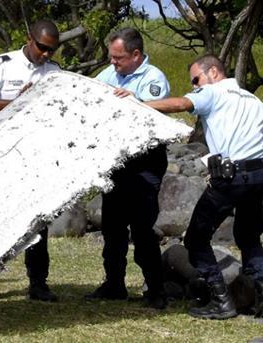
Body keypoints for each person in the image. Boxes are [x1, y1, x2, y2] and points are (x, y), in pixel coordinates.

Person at [145, 54, 263, 320]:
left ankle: (221, 301)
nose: (195, 86)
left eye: (196, 80)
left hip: (231, 178)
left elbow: (181, 103)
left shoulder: (212, 93)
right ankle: (259, 300)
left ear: (213, 72)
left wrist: (139, 104)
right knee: (249, 238)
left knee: (196, 239)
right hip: (258, 176)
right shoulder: (253, 100)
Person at [0, 19, 60, 302]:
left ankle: (38, 282)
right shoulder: (2, 65)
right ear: (29, 39)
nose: (46, 54)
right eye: (43, 47)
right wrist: (19, 102)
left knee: (37, 222)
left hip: (34, 155)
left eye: (52, 50)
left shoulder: (55, 72)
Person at [85, 27, 170, 309]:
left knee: (143, 230)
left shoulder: (153, 78)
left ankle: (156, 290)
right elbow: (90, 95)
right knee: (113, 229)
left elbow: (155, 111)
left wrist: (135, 100)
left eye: (118, 57)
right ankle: (114, 285)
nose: (113, 62)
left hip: (144, 164)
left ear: (136, 55)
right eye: (111, 57)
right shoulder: (109, 75)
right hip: (117, 161)